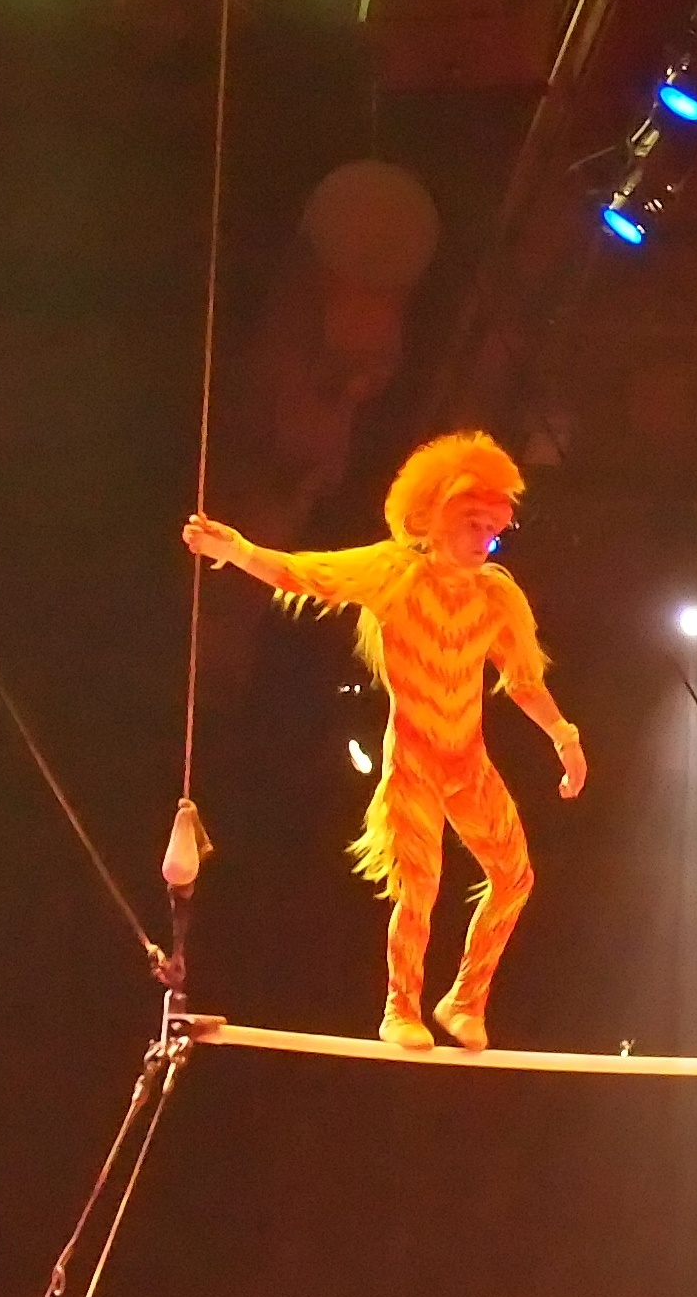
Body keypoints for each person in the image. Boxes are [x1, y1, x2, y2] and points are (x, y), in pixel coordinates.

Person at [181, 430, 588, 1050]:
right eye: (472, 524)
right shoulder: (394, 575)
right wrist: (236, 550)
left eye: (493, 529)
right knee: (419, 886)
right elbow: (305, 574)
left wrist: (564, 736)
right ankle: (401, 1006)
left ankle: (464, 1000)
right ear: (435, 517)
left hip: (468, 761)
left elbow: (524, 681)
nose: (483, 540)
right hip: (415, 759)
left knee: (515, 876)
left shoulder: (497, 598)